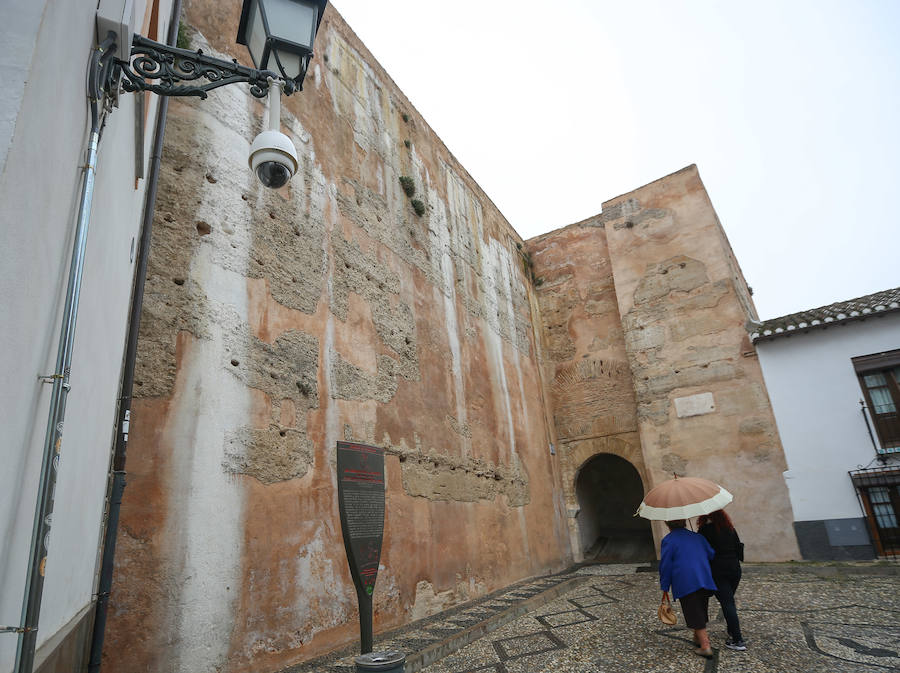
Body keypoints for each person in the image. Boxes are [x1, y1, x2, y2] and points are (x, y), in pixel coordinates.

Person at [658, 519, 717, 658]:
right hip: (704, 578)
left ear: (667, 524)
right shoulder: (698, 537)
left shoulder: (669, 540)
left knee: (694, 611)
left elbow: (666, 565)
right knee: (700, 608)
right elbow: (711, 554)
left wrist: (665, 586)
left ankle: (705, 646)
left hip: (685, 581)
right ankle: (697, 638)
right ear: (684, 522)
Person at [698, 509, 746, 651]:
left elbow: (702, 552)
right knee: (729, 601)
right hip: (735, 569)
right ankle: (732, 631)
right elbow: (738, 547)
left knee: (727, 603)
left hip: (718, 571)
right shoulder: (729, 528)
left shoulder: (705, 530)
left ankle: (738, 640)